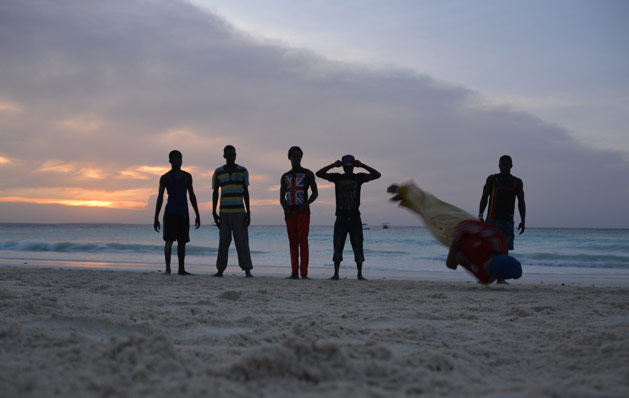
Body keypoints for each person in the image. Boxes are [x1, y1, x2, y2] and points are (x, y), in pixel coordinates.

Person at [388, 182, 522, 284]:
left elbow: (466, 264)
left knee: (427, 220)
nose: (485, 267)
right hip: (461, 223)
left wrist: (457, 259)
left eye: (488, 270)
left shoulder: (486, 277)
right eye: (489, 265)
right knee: (433, 209)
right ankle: (405, 190)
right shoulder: (495, 239)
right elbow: (464, 227)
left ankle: (406, 200)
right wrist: (451, 256)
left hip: (452, 242)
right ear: (496, 257)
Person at [316, 155, 381, 280]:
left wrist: (362, 165)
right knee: (337, 245)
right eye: (346, 167)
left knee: (358, 245)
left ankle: (359, 274)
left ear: (353, 166)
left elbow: (377, 175)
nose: (348, 169)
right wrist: (332, 165)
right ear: (343, 166)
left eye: (350, 167)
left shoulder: (359, 177)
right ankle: (336, 274)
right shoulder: (337, 177)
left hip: (355, 217)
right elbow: (319, 173)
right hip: (340, 217)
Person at [478, 155, 526, 283]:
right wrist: (480, 215)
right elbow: (484, 197)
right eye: (502, 163)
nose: (504, 165)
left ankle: (500, 278)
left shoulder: (517, 182)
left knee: (504, 250)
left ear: (511, 166)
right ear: (499, 165)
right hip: (492, 220)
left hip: (508, 222)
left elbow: (521, 202)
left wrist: (523, 220)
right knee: (489, 249)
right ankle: (486, 275)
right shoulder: (492, 179)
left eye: (507, 163)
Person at [153, 150, 201, 275]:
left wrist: (197, 214)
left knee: (182, 242)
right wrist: (156, 218)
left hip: (183, 214)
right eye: (175, 158)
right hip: (170, 214)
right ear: (170, 160)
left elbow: (192, 196)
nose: (178, 161)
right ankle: (168, 268)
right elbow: (160, 198)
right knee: (168, 241)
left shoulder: (187, 176)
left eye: (180, 158)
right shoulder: (165, 178)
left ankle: (181, 269)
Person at [212, 145, 253, 277]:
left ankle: (247, 270)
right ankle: (220, 270)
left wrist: (248, 212)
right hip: (224, 212)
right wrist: (214, 212)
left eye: (233, 155)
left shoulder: (243, 171)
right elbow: (215, 193)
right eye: (229, 155)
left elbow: (246, 192)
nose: (231, 157)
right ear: (224, 156)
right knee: (223, 242)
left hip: (239, 212)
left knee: (242, 242)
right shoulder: (218, 172)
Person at [280, 146, 318, 280]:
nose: (296, 159)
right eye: (294, 156)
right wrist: (285, 208)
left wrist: (306, 204)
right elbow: (281, 196)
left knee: (303, 241)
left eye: (298, 156)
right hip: (290, 213)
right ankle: (294, 272)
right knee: (292, 242)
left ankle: (304, 273)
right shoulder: (285, 176)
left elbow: (315, 193)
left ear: (301, 157)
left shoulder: (308, 173)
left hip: (303, 212)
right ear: (289, 157)